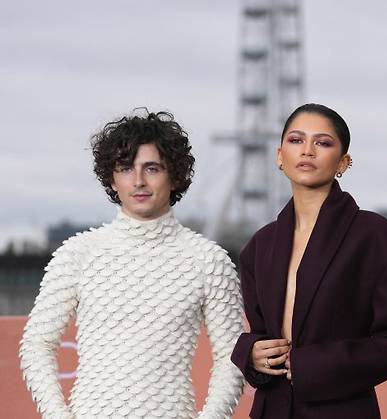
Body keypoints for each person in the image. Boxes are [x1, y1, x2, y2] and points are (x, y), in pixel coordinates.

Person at [20, 110, 244, 418]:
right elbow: (37, 346)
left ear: (175, 175)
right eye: (126, 168)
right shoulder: (78, 254)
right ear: (112, 179)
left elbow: (232, 358)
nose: (138, 181)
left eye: (151, 168)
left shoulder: (210, 262)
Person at [231, 103, 387, 418]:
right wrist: (250, 353)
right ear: (280, 156)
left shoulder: (380, 240)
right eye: (296, 141)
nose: (307, 151)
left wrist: (316, 365)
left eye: (322, 143)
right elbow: (260, 335)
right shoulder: (259, 246)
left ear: (343, 162)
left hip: (342, 410)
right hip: (271, 409)